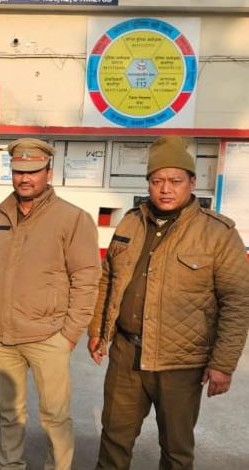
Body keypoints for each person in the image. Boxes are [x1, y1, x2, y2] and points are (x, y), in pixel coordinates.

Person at [87, 136, 249, 469]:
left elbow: (237, 301)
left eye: (175, 181)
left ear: (192, 182)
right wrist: (97, 330)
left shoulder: (218, 233)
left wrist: (223, 363)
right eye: (157, 180)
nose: (165, 189)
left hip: (180, 363)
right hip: (126, 355)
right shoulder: (131, 221)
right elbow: (109, 279)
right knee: (114, 439)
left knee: (176, 450)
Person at [0, 138, 101, 470]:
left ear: (49, 172)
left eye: (33, 171)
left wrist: (70, 334)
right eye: (19, 171)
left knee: (55, 416)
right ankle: (10, 466)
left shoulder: (72, 219)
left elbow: (87, 278)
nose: (25, 178)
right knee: (10, 414)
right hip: (2, 337)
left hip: (49, 336)